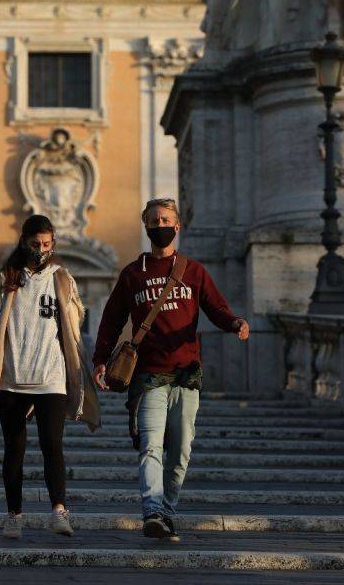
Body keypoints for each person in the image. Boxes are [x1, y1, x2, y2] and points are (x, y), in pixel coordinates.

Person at [92, 198, 249, 541]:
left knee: (179, 453)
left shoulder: (193, 272)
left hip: (186, 375)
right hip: (148, 377)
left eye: (165, 219)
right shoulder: (134, 274)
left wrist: (234, 322)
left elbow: (216, 307)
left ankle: (168, 511)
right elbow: (111, 320)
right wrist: (100, 359)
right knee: (150, 446)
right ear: (146, 226)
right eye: (153, 220)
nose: (159, 224)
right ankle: (152, 511)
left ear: (177, 226)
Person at [0, 214, 100, 540]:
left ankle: (59, 510)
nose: (41, 249)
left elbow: (72, 330)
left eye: (46, 244)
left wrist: (83, 371)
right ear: (24, 241)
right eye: (35, 243)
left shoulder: (63, 279)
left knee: (52, 444)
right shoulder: (6, 278)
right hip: (12, 378)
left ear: (53, 244)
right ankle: (14, 514)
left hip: (50, 378)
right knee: (15, 448)